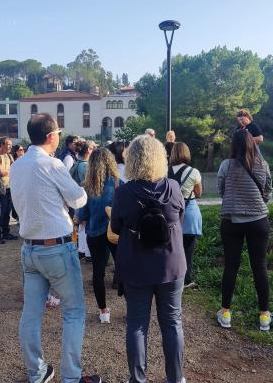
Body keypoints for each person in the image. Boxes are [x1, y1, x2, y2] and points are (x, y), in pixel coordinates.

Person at [10, 113, 101, 383]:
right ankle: (72, 376)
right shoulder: (52, 165)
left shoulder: (17, 165)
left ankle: (36, 372)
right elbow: (78, 199)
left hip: (30, 248)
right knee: (74, 311)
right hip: (57, 247)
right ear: (51, 136)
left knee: (31, 313)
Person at [110, 134, 186, 383]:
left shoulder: (124, 193)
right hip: (171, 264)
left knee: (137, 324)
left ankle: (138, 379)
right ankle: (176, 378)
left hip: (136, 266)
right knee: (172, 323)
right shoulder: (173, 187)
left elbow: (117, 228)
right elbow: (180, 219)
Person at [216, 130, 273, 331]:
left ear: (234, 145)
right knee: (260, 267)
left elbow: (221, 190)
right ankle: (264, 316)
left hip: (232, 221)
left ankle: (225, 313)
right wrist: (257, 204)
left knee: (231, 266)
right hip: (259, 220)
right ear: (252, 144)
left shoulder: (226, 165)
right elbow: (268, 190)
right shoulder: (262, 164)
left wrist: (234, 201)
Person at [76, 148, 119, 324]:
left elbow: (81, 216)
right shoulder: (119, 183)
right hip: (116, 232)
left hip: (94, 233)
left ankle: (103, 311)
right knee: (124, 268)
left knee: (98, 272)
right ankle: (132, 307)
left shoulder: (87, 186)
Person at [169, 143, 203, 289]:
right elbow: (199, 193)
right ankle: (186, 279)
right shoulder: (193, 172)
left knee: (171, 249)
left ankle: (171, 277)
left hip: (170, 214)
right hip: (189, 213)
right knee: (187, 250)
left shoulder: (165, 171)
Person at [0, 136, 18, 241]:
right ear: (1, 145)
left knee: (7, 212)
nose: (10, 147)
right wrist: (11, 170)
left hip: (8, 187)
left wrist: (9, 170)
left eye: (11, 145)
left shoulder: (9, 157)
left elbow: (13, 171)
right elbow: (0, 173)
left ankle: (6, 232)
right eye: (8, 144)